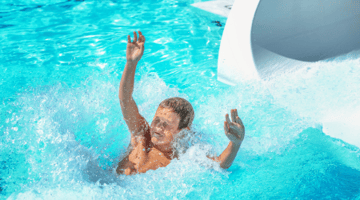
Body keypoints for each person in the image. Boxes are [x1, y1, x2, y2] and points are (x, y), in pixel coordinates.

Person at [116, 31, 245, 175]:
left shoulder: (181, 159)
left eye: (165, 125)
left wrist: (235, 143)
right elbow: (125, 99)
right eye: (156, 121)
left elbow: (219, 165)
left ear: (182, 132)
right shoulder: (141, 135)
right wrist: (131, 63)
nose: (158, 127)